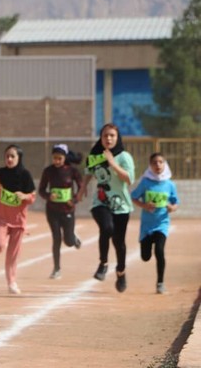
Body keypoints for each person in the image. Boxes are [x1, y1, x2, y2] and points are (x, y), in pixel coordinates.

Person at [77, 123, 134, 293]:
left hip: (121, 205)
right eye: (105, 136)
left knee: (119, 243)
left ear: (117, 138)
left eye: (112, 136)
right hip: (100, 202)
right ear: (100, 138)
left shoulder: (124, 157)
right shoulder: (95, 155)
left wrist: (113, 163)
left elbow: (128, 179)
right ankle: (103, 263)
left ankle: (121, 272)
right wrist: (82, 188)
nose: (108, 139)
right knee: (106, 227)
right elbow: (88, 171)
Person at [0, 144, 36, 294]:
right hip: (2, 219)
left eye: (13, 156)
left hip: (19, 221)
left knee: (13, 255)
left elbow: (32, 197)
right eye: (7, 156)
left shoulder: (25, 175)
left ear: (19, 158)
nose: (9, 159)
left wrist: (24, 196)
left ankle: (11, 282)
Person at [130, 152, 179, 294]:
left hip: (162, 224)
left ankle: (160, 283)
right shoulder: (145, 182)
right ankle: (146, 247)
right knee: (145, 257)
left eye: (160, 162)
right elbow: (134, 197)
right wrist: (144, 205)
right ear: (150, 166)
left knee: (159, 251)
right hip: (147, 226)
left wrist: (171, 208)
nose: (157, 165)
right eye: (154, 163)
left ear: (165, 164)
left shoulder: (169, 184)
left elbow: (176, 203)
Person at [38, 144, 83, 280]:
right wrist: (48, 196)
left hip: (67, 209)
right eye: (54, 158)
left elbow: (81, 187)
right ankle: (56, 269)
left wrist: (74, 200)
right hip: (52, 210)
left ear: (65, 158)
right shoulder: (48, 171)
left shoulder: (72, 171)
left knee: (68, 241)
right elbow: (41, 189)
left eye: (59, 158)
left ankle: (73, 238)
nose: (57, 161)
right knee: (56, 238)